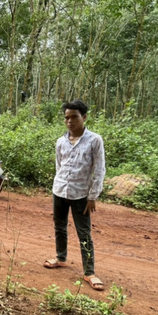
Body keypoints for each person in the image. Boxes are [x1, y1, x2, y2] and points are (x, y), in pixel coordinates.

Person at [44, 100, 106, 291]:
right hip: (60, 191)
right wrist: (58, 185)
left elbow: (99, 169)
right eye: (66, 118)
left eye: (74, 117)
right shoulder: (61, 141)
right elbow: (58, 166)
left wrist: (93, 196)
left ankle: (89, 272)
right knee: (59, 227)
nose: (69, 121)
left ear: (84, 117)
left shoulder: (95, 140)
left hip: (81, 195)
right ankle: (61, 258)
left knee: (84, 233)